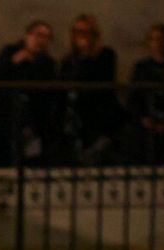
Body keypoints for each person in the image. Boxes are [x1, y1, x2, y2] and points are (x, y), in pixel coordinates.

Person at [0, 19, 57, 166]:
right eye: (39, 35)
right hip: (6, 109)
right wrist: (16, 60)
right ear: (27, 36)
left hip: (33, 113)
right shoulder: (10, 51)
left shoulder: (47, 62)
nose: (42, 40)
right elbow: (0, 73)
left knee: (32, 152)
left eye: (47, 37)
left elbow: (43, 86)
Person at [60, 15, 124, 164]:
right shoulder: (68, 60)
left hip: (99, 114)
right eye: (78, 31)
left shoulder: (106, 55)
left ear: (94, 34)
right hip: (75, 115)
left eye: (86, 31)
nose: (82, 35)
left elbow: (101, 81)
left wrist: (87, 55)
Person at [128, 23, 164, 163]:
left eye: (161, 39)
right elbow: (134, 98)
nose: (157, 43)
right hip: (146, 125)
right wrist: (144, 118)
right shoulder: (141, 68)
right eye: (153, 39)